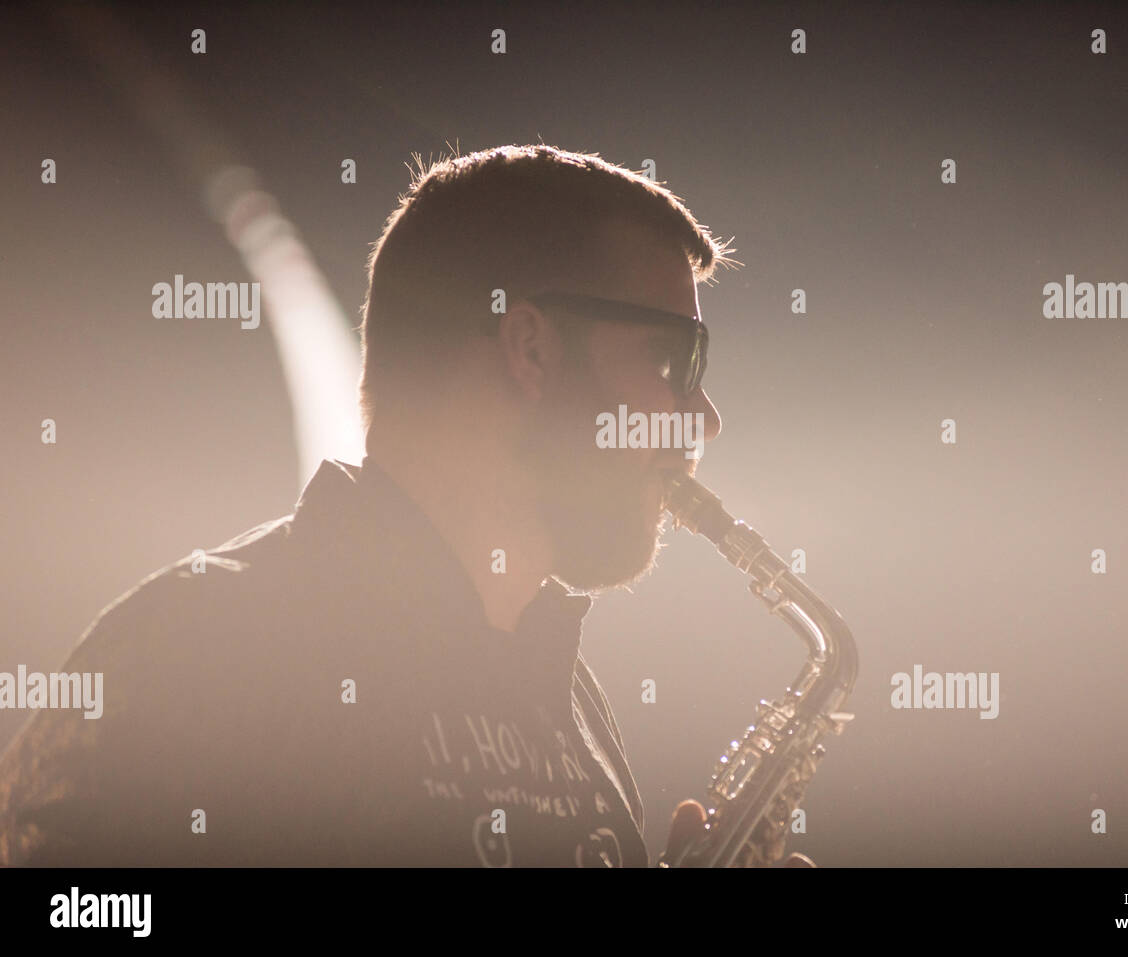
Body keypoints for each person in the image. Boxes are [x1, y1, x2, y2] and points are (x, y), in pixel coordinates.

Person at [0, 143, 808, 866]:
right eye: (675, 359)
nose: (704, 419)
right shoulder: (199, 642)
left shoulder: (569, 698)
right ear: (530, 347)